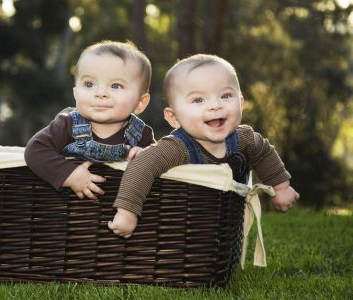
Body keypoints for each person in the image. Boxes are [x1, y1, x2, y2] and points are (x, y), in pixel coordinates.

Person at [108, 54, 300, 238]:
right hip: (181, 223)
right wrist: (127, 212)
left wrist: (281, 187)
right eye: (198, 100)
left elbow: (263, 152)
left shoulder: (244, 138)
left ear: (241, 104)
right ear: (174, 117)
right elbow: (142, 164)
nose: (215, 105)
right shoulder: (176, 147)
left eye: (225, 96)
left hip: (223, 227)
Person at [25, 40, 155, 200]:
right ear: (75, 93)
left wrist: (146, 156)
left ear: (140, 102)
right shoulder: (67, 125)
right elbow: (35, 150)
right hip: (65, 210)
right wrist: (70, 174)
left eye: (115, 86)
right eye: (89, 84)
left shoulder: (141, 134)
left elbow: (162, 165)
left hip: (115, 210)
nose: (100, 93)